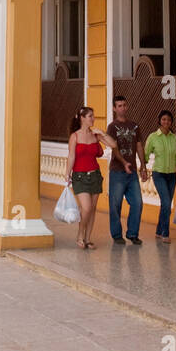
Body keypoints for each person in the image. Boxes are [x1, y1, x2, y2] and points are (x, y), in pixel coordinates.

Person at [66, 107, 119, 249]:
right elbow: (71, 156)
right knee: (86, 207)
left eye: (93, 116)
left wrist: (102, 133)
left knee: (93, 208)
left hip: (95, 175)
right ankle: (80, 234)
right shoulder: (75, 136)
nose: (93, 118)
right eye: (90, 116)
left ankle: (87, 239)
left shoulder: (96, 135)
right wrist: (67, 174)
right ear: (82, 118)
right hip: (79, 176)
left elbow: (113, 144)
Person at [106, 95, 148, 245]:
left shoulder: (134, 126)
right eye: (119, 106)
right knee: (115, 204)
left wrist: (143, 166)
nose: (122, 108)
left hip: (132, 173)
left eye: (124, 105)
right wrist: (124, 162)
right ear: (114, 108)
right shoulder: (112, 127)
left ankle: (133, 233)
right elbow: (114, 147)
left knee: (137, 202)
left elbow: (138, 146)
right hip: (118, 171)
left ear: (127, 106)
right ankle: (117, 234)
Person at [144, 109, 176, 242]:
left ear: (171, 122)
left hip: (172, 176)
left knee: (165, 204)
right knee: (167, 203)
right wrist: (142, 169)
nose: (166, 122)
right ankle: (165, 233)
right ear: (160, 121)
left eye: (168, 120)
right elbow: (145, 155)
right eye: (163, 119)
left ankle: (158, 230)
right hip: (159, 174)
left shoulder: (174, 139)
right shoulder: (153, 137)